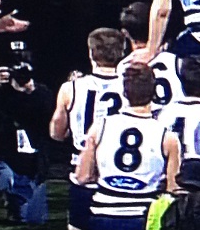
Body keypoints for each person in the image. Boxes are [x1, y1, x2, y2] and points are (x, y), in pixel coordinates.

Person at [76, 62, 181, 230]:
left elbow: (82, 176)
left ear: (124, 93)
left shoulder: (99, 127)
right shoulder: (167, 137)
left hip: (103, 214)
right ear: (154, 93)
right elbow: (173, 189)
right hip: (144, 217)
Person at [50, 27, 127, 230]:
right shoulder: (133, 87)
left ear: (91, 53)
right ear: (122, 52)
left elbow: (56, 134)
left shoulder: (71, 88)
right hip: (124, 170)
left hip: (82, 168)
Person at [0, 41, 55, 224]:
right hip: (2, 161)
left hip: (29, 167)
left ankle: (16, 204)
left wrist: (30, 91)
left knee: (33, 220)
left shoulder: (41, 94)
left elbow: (47, 121)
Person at [118, 1, 185, 114]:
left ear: (125, 34)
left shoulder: (125, 66)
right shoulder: (177, 61)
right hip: (174, 125)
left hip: (144, 126)